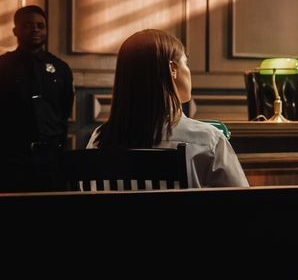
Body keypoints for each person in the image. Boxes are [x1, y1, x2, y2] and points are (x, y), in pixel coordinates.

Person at [87, 29, 248, 188]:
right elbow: (242, 203)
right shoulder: (207, 140)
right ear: (172, 69)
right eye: (186, 62)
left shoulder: (98, 140)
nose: (188, 70)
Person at [0, 5, 74, 192]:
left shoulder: (60, 68)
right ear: (15, 30)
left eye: (40, 26)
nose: (35, 30)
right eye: (28, 25)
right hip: (12, 158)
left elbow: (63, 111)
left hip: (50, 159)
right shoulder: (3, 66)